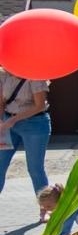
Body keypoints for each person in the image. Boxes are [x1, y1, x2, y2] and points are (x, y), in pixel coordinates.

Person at [0, 66, 51, 195]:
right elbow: (1, 102)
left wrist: (14, 120)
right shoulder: (3, 75)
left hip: (34, 124)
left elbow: (40, 106)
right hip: (8, 122)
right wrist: (1, 120)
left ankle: (46, 205)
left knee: (35, 169)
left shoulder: (35, 76)